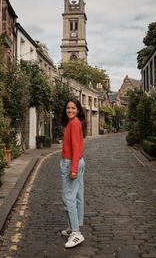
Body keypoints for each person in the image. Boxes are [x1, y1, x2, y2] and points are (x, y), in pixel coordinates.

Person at [60, 98, 86, 248]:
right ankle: (72, 228)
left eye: (73, 108)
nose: (70, 110)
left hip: (71, 162)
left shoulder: (75, 124)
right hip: (73, 162)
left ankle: (76, 233)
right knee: (76, 197)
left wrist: (74, 168)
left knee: (68, 198)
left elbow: (77, 148)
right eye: (68, 108)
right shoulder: (72, 123)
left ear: (78, 110)